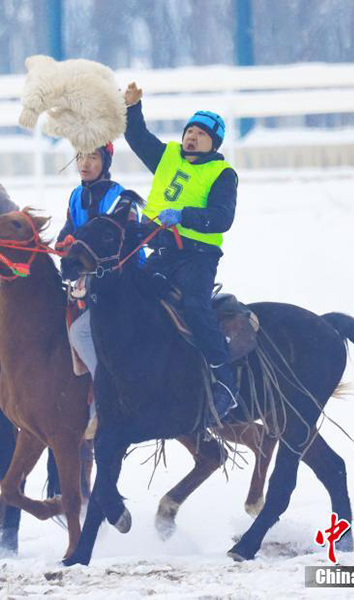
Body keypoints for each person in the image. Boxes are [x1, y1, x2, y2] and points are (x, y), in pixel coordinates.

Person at [123, 81, 239, 427]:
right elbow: (138, 136)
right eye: (190, 130)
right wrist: (132, 106)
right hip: (161, 250)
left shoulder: (222, 173)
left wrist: (185, 215)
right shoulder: (168, 156)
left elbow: (223, 218)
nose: (192, 137)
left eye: (201, 134)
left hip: (197, 256)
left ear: (213, 143)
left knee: (194, 305)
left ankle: (224, 378)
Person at [57, 143, 131, 434]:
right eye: (80, 156)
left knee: (79, 332)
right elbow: (69, 230)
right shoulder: (76, 195)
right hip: (85, 278)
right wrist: (63, 243)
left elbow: (106, 237)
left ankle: (106, 395)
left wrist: (75, 246)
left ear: (106, 161)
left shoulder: (118, 196)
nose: (85, 163)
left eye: (93, 157)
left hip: (120, 277)